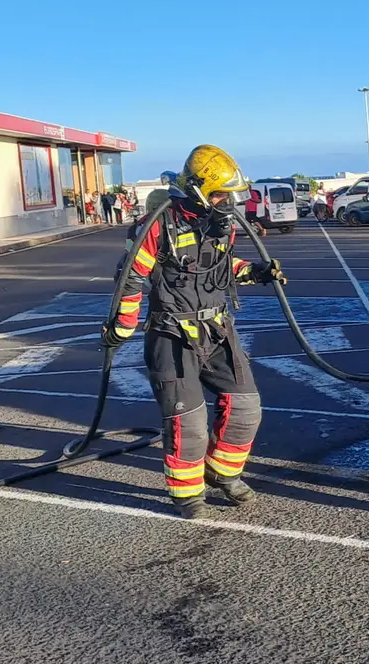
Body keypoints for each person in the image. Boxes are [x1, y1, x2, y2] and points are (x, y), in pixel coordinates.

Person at [101, 144, 287, 519]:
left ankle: (222, 473)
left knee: (246, 408)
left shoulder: (222, 224)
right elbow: (131, 278)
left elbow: (218, 268)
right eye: (221, 195)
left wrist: (255, 272)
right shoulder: (158, 225)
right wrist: (122, 327)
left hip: (217, 329)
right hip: (172, 335)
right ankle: (187, 495)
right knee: (190, 424)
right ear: (199, 190)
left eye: (231, 195)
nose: (228, 202)